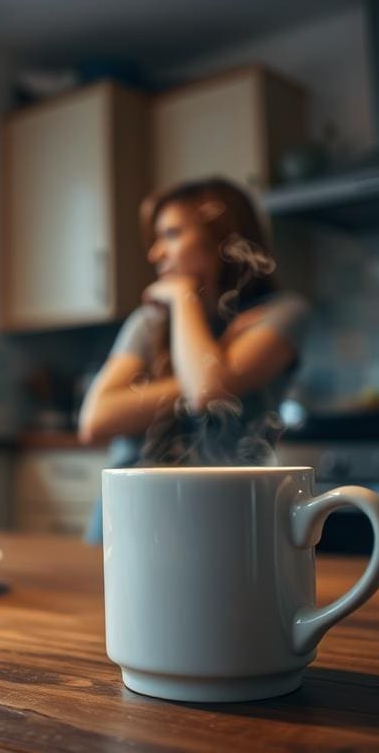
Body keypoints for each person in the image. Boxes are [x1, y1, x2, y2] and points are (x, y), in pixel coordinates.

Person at [77, 177, 309, 543]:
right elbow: (95, 420)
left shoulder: (281, 313)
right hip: (127, 519)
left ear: (223, 239)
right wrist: (215, 366)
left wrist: (184, 298)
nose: (155, 253)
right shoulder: (150, 323)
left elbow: (207, 393)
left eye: (171, 234)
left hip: (225, 520)